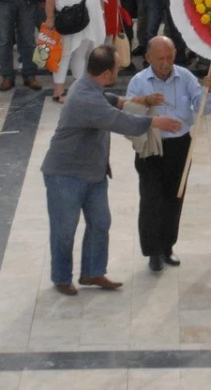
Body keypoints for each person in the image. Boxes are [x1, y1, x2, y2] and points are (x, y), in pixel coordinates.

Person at [41, 44, 183, 295]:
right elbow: (118, 121)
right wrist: (155, 121)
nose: (119, 70)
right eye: (117, 67)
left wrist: (135, 101)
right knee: (64, 230)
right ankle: (62, 277)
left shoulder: (87, 86)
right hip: (65, 175)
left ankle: (93, 272)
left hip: (93, 173)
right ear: (107, 73)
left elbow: (109, 100)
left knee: (100, 222)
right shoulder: (86, 99)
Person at [126, 36, 211, 272]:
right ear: (148, 58)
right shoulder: (138, 81)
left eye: (169, 57)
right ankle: (152, 251)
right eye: (160, 59)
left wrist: (210, 90)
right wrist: (151, 113)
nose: (165, 63)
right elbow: (128, 115)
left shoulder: (185, 77)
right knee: (150, 198)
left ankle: (167, 246)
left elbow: (203, 108)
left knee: (174, 196)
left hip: (179, 145)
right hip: (151, 146)